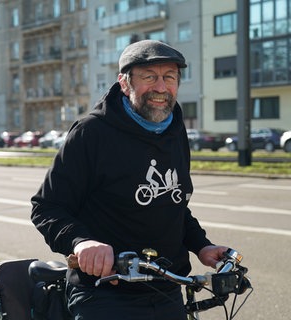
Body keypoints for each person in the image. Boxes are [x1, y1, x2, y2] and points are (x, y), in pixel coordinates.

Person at [31, 39, 228, 320]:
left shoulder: (174, 131)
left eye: (169, 77)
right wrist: (81, 242)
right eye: (149, 77)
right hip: (104, 293)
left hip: (167, 290)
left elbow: (172, 203)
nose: (161, 87)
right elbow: (46, 207)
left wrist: (202, 246)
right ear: (124, 83)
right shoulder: (92, 132)